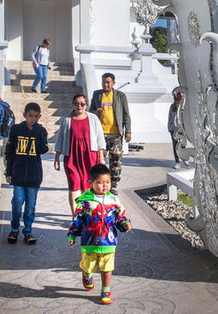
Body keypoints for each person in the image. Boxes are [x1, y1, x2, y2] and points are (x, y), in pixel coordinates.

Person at [67, 163, 131, 306]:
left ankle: (105, 291)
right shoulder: (85, 202)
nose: (105, 186)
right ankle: (86, 274)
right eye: (100, 183)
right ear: (91, 183)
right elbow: (77, 219)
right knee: (88, 265)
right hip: (89, 241)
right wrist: (72, 235)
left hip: (109, 241)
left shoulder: (113, 200)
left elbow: (120, 216)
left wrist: (125, 224)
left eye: (107, 182)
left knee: (107, 267)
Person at [5, 102, 49, 244]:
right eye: (30, 116)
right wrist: (9, 171)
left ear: (39, 117)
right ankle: (15, 228)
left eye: (36, 116)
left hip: (33, 175)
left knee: (30, 206)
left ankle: (28, 230)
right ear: (24, 115)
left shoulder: (40, 131)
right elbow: (9, 151)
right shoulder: (16, 130)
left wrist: (40, 134)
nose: (33, 119)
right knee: (17, 202)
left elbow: (43, 149)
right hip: (18, 173)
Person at [54, 93, 105, 212]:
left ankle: (88, 214)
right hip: (71, 157)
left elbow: (99, 138)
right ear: (72, 105)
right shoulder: (66, 120)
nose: (79, 106)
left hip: (89, 156)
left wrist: (101, 158)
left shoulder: (93, 118)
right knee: (74, 185)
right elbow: (60, 138)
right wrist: (57, 158)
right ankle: (75, 216)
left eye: (82, 104)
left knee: (89, 186)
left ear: (86, 105)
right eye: (76, 103)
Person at [89, 73, 132, 191]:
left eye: (108, 82)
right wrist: (95, 111)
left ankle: (113, 185)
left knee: (116, 160)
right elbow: (90, 110)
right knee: (98, 160)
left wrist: (128, 131)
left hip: (115, 134)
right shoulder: (97, 95)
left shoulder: (120, 96)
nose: (106, 84)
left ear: (113, 83)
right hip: (100, 134)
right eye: (104, 82)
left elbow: (126, 114)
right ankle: (97, 183)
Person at [167, 87, 185, 169]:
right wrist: (169, 127)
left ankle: (184, 158)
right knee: (175, 145)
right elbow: (170, 117)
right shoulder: (172, 106)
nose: (177, 102)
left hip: (181, 129)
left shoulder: (183, 107)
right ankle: (177, 161)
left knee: (182, 144)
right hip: (173, 129)